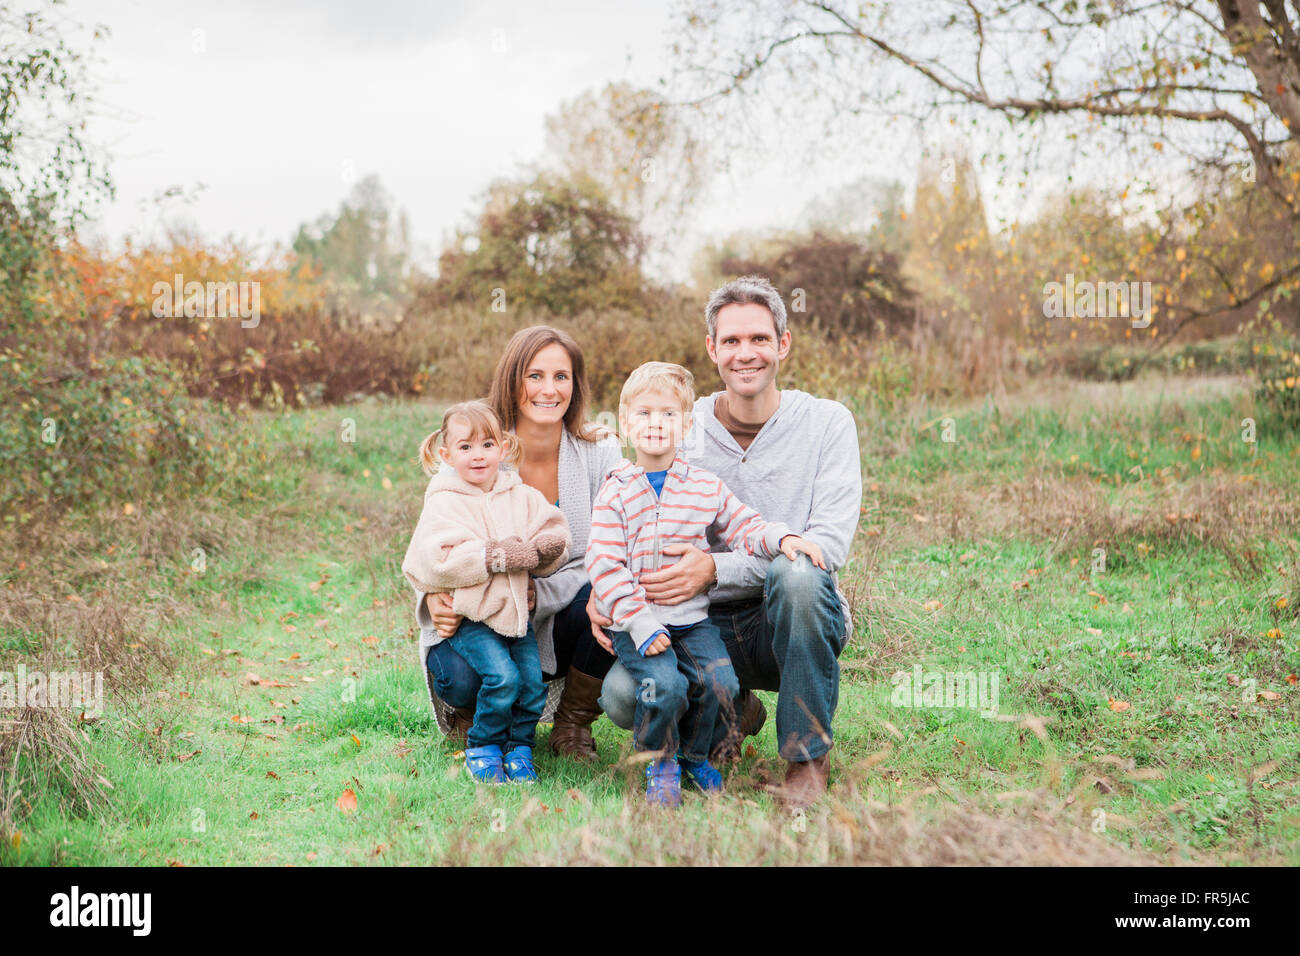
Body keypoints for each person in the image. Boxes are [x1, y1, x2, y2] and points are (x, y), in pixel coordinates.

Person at [594, 277, 862, 810]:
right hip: (694, 622)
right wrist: (601, 596)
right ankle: (731, 710)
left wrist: (715, 569)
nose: (747, 353)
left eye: (760, 339)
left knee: (800, 574)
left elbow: (823, 547)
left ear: (782, 344)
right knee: (626, 694)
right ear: (712, 349)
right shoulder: (676, 426)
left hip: (784, 618)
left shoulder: (827, 423)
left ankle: (806, 757)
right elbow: (617, 529)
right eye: (732, 341)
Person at [414, 326, 623, 760]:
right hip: (479, 611)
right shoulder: (475, 448)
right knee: (468, 673)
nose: (549, 389)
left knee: (609, 594)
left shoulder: (601, 453)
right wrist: (432, 593)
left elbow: (616, 548)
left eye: (561, 377)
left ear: (575, 384)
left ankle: (572, 725)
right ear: (513, 380)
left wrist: (539, 590)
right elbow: (432, 545)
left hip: (563, 609)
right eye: (535, 376)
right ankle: (475, 719)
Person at [403, 401, 571, 783]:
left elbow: (556, 530)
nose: (477, 456)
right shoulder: (444, 501)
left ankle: (520, 747)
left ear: (504, 447)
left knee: (530, 683)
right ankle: (483, 744)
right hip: (472, 617)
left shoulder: (520, 494)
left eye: (487, 445)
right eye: (465, 448)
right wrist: (493, 555)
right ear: (445, 454)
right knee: (503, 678)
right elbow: (434, 560)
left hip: (515, 615)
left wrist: (544, 548)